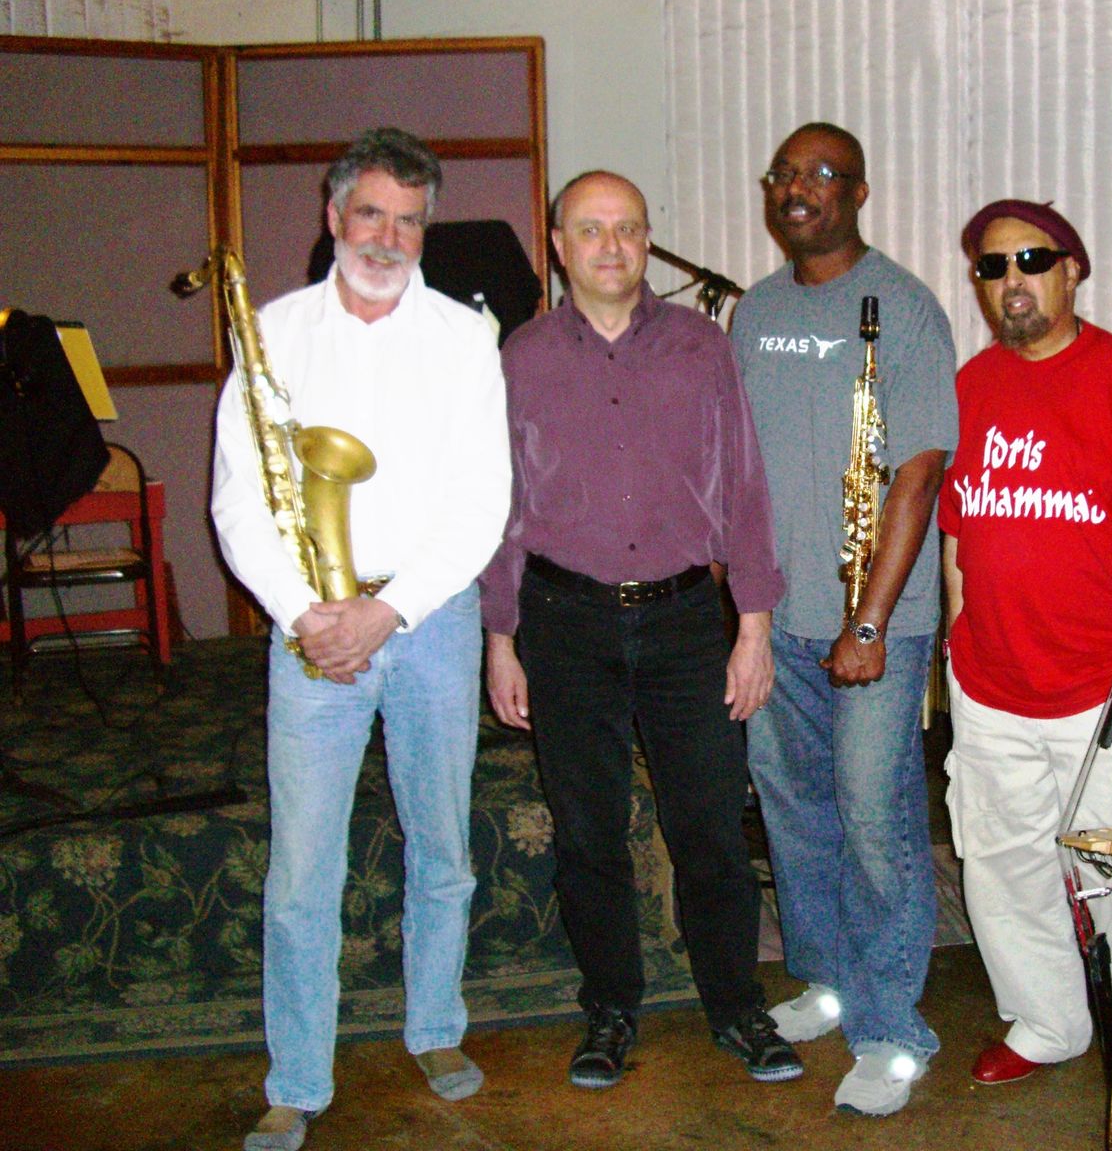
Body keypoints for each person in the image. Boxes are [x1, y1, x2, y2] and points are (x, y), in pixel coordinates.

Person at [211, 127, 512, 1151]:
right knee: (303, 867)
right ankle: (298, 1077)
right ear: (335, 214)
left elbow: (482, 501)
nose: (387, 236)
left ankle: (435, 1027)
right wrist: (306, 613)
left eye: (409, 220)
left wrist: (390, 609)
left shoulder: (465, 337)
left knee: (443, 845)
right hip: (311, 622)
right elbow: (238, 501)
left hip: (427, 619)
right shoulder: (273, 333)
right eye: (372, 213)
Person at [478, 170, 800, 1092]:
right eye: (591, 229)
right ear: (558, 246)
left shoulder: (702, 347)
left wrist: (753, 627)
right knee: (588, 834)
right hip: (563, 623)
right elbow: (502, 505)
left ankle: (736, 1006)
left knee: (710, 830)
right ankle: (611, 1009)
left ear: (648, 239)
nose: (611, 246)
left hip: (686, 624)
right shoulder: (522, 357)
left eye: (627, 228)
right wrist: (501, 637)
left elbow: (744, 489)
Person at [729, 122, 958, 1117]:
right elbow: (737, 460)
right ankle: (828, 980)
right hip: (773, 620)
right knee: (794, 813)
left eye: (821, 174)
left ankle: (892, 1027)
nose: (798, 188)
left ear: (857, 192)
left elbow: (919, 471)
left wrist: (867, 624)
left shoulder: (902, 307)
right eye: (784, 173)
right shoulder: (755, 310)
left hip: (874, 628)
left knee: (875, 821)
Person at [938, 199, 1112, 1086]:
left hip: (1111, 684)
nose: (1013, 281)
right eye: (993, 266)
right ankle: (1047, 1022)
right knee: (1002, 865)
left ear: (1073, 270)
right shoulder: (970, 386)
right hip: (991, 682)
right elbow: (957, 533)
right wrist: (958, 642)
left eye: (1032, 260)